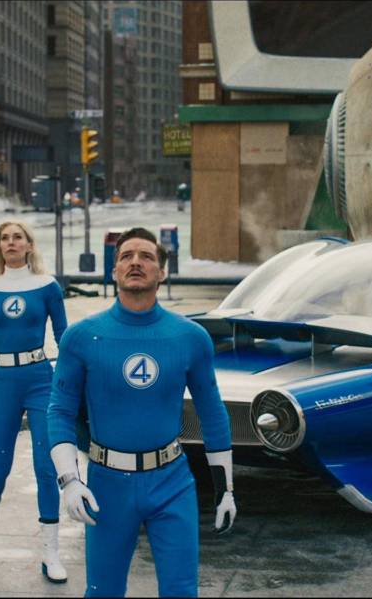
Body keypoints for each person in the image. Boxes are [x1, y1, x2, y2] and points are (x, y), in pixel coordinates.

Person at [47, 227, 236, 598]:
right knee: (102, 591)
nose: (136, 262)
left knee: (182, 591)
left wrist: (225, 489)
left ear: (162, 272)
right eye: (126, 256)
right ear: (114, 270)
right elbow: (59, 411)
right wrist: (69, 481)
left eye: (147, 256)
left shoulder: (190, 337)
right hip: (107, 484)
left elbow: (213, 413)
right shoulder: (82, 337)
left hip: (172, 482)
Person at [0, 220, 68, 583]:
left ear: (29, 245)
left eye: (17, 237)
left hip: (40, 378)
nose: (10, 242)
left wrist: (72, 381)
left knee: (46, 465)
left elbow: (63, 335)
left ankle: (51, 552)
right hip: (3, 380)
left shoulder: (47, 286)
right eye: (4, 238)